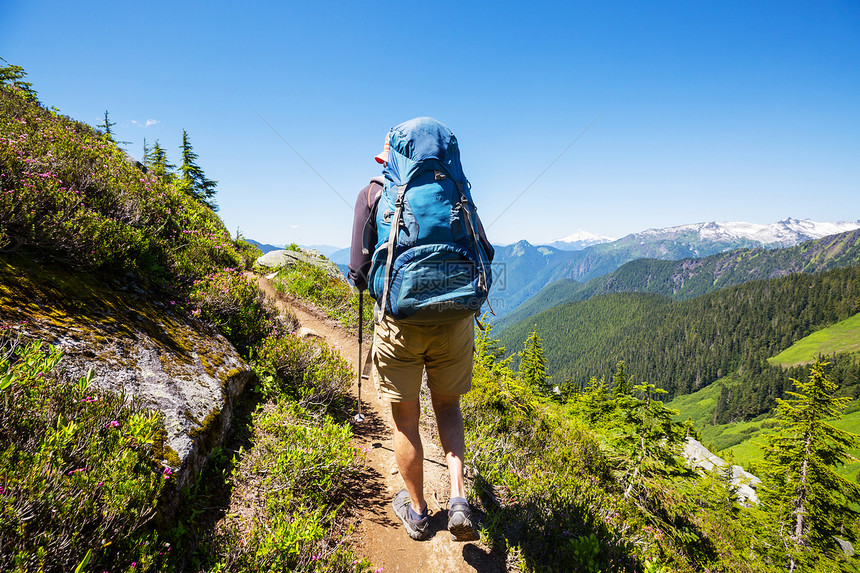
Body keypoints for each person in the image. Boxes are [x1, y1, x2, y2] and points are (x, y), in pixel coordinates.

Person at [348, 121, 491, 542]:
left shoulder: (373, 194)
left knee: (406, 420)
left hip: (400, 325)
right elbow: (485, 249)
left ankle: (419, 511)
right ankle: (460, 499)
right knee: (448, 408)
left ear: (393, 155)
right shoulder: (458, 190)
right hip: (455, 322)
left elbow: (357, 271)